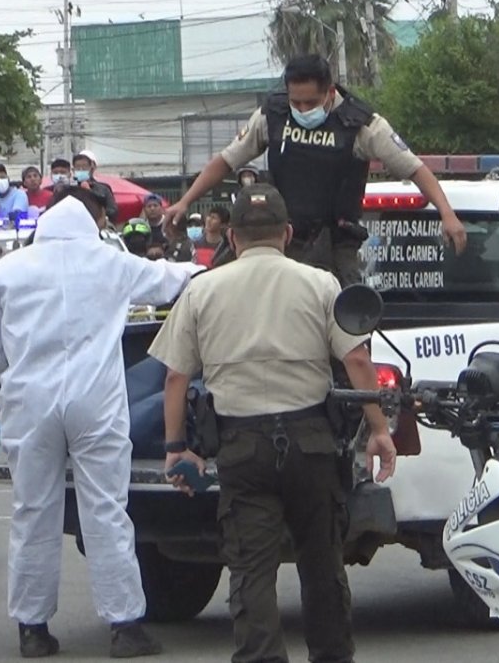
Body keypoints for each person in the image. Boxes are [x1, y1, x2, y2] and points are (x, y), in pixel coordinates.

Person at [148, 184, 396, 663]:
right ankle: (330, 655)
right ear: (286, 234)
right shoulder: (321, 283)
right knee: (322, 565)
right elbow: (358, 361)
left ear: (233, 237)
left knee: (251, 570)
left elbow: (176, 376)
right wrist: (379, 429)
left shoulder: (202, 288)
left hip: (242, 449)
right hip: (312, 444)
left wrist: (176, 446)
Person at [0, 187, 201, 659]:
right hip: (96, 402)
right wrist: (218, 269)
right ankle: (125, 625)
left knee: (33, 512)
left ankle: (33, 628)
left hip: (29, 404)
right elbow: (172, 278)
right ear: (91, 228)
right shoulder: (110, 262)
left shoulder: (4, 272)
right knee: (108, 510)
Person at [163, 54, 465, 287]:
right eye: (297, 102)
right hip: (278, 238)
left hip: (334, 243)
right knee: (220, 287)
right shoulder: (273, 115)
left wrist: (447, 214)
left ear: (330, 92)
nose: (303, 110)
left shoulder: (361, 125)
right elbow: (225, 161)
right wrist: (186, 200)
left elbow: (415, 169)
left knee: (347, 321)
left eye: (311, 102)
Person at [72, 150, 119, 222]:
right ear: (73, 170)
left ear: (91, 168)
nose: (81, 170)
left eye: (84, 167)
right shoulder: (69, 189)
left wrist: (90, 192)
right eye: (78, 168)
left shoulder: (103, 189)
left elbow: (112, 211)